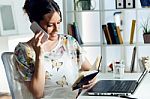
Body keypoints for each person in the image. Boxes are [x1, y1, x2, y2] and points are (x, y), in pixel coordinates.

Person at [14, 0, 96, 98]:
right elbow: (37, 94)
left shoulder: (68, 42)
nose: (57, 29)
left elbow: (90, 69)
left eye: (58, 22)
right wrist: (39, 56)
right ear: (34, 24)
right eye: (50, 25)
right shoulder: (23, 51)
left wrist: (92, 79)